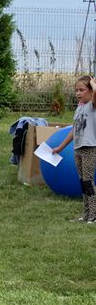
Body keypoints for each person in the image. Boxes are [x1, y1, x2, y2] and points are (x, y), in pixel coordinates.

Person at [51, 75, 96, 223]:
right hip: (78, 149)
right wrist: (60, 147)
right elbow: (74, 130)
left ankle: (94, 215)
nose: (78, 93)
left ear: (90, 92)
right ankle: (86, 215)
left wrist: (93, 83)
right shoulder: (79, 108)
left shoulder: (92, 106)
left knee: (88, 182)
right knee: (82, 182)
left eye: (82, 90)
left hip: (89, 148)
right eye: (76, 90)